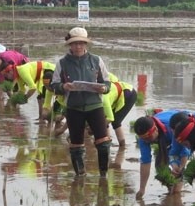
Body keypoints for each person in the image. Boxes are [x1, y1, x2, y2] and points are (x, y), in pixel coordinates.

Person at [50, 27, 112, 178]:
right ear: (69, 45)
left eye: (81, 43)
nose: (78, 46)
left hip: (95, 106)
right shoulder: (62, 63)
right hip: (73, 107)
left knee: (103, 142)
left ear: (86, 44)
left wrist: (103, 88)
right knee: (76, 144)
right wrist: (64, 86)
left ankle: (103, 174)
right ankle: (80, 175)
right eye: (75, 43)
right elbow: (54, 85)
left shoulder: (96, 60)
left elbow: (107, 83)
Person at [133, 109, 191, 199]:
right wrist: (142, 188)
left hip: (185, 128)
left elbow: (184, 151)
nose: (146, 141)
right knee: (160, 168)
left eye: (148, 138)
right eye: (143, 139)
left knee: (177, 171)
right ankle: (170, 190)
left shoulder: (172, 128)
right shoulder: (143, 138)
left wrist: (180, 168)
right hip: (165, 139)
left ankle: (176, 197)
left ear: (155, 129)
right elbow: (145, 161)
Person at [102, 79, 137, 148]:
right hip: (115, 96)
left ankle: (122, 146)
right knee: (103, 118)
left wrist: (96, 128)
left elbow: (110, 118)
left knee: (116, 121)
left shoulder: (103, 99)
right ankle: (107, 143)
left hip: (129, 94)